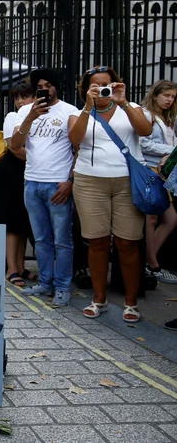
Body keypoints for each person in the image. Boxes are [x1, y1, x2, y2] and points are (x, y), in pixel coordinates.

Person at [68, 66, 153, 323]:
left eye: (108, 84)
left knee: (128, 242)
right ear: (86, 89)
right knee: (97, 241)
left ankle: (131, 302)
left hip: (128, 182)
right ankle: (99, 298)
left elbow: (145, 131)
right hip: (90, 182)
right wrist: (87, 106)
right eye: (96, 85)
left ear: (117, 84)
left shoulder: (133, 108)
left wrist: (123, 102)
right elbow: (75, 138)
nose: (104, 89)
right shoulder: (78, 112)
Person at [10, 68, 78, 307]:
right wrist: (31, 117)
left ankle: (62, 286)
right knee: (41, 239)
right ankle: (46, 282)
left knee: (62, 240)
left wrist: (70, 181)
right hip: (32, 182)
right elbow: (16, 144)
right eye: (40, 86)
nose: (44, 89)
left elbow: (79, 149)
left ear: (55, 87)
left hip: (57, 184)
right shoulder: (25, 111)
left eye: (49, 85)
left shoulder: (70, 111)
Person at [0, 82, 36, 287]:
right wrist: (40, 158)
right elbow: (15, 148)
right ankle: (11, 268)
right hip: (13, 172)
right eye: (17, 98)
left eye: (25, 96)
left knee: (23, 222)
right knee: (12, 223)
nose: (21, 101)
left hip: (30, 172)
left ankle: (21, 266)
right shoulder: (12, 117)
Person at [139, 80, 177, 284]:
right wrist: (171, 152)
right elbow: (142, 143)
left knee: (170, 219)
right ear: (155, 95)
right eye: (166, 95)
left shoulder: (168, 117)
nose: (170, 100)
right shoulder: (145, 115)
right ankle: (152, 265)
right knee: (151, 219)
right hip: (149, 170)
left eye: (173, 96)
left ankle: (148, 261)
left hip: (163, 174)